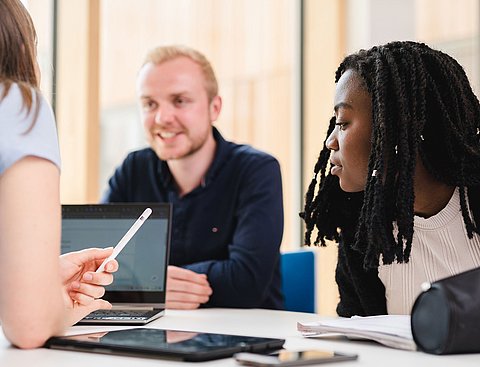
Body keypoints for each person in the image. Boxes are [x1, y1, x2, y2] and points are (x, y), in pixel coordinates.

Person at [301, 41, 480, 317]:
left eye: (343, 123)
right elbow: (362, 338)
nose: (330, 142)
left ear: (393, 131)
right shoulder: (363, 227)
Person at [102, 45, 284, 310]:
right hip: (153, 334)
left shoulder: (256, 170)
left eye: (180, 101)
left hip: (244, 334)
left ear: (215, 108)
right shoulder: (133, 169)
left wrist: (145, 283)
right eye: (150, 104)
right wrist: (154, 285)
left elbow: (246, 283)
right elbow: (96, 270)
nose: (162, 118)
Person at [0, 0, 118, 349]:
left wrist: (35, 280)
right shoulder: (18, 104)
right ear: (21, 49)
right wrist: (59, 309)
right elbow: (29, 327)